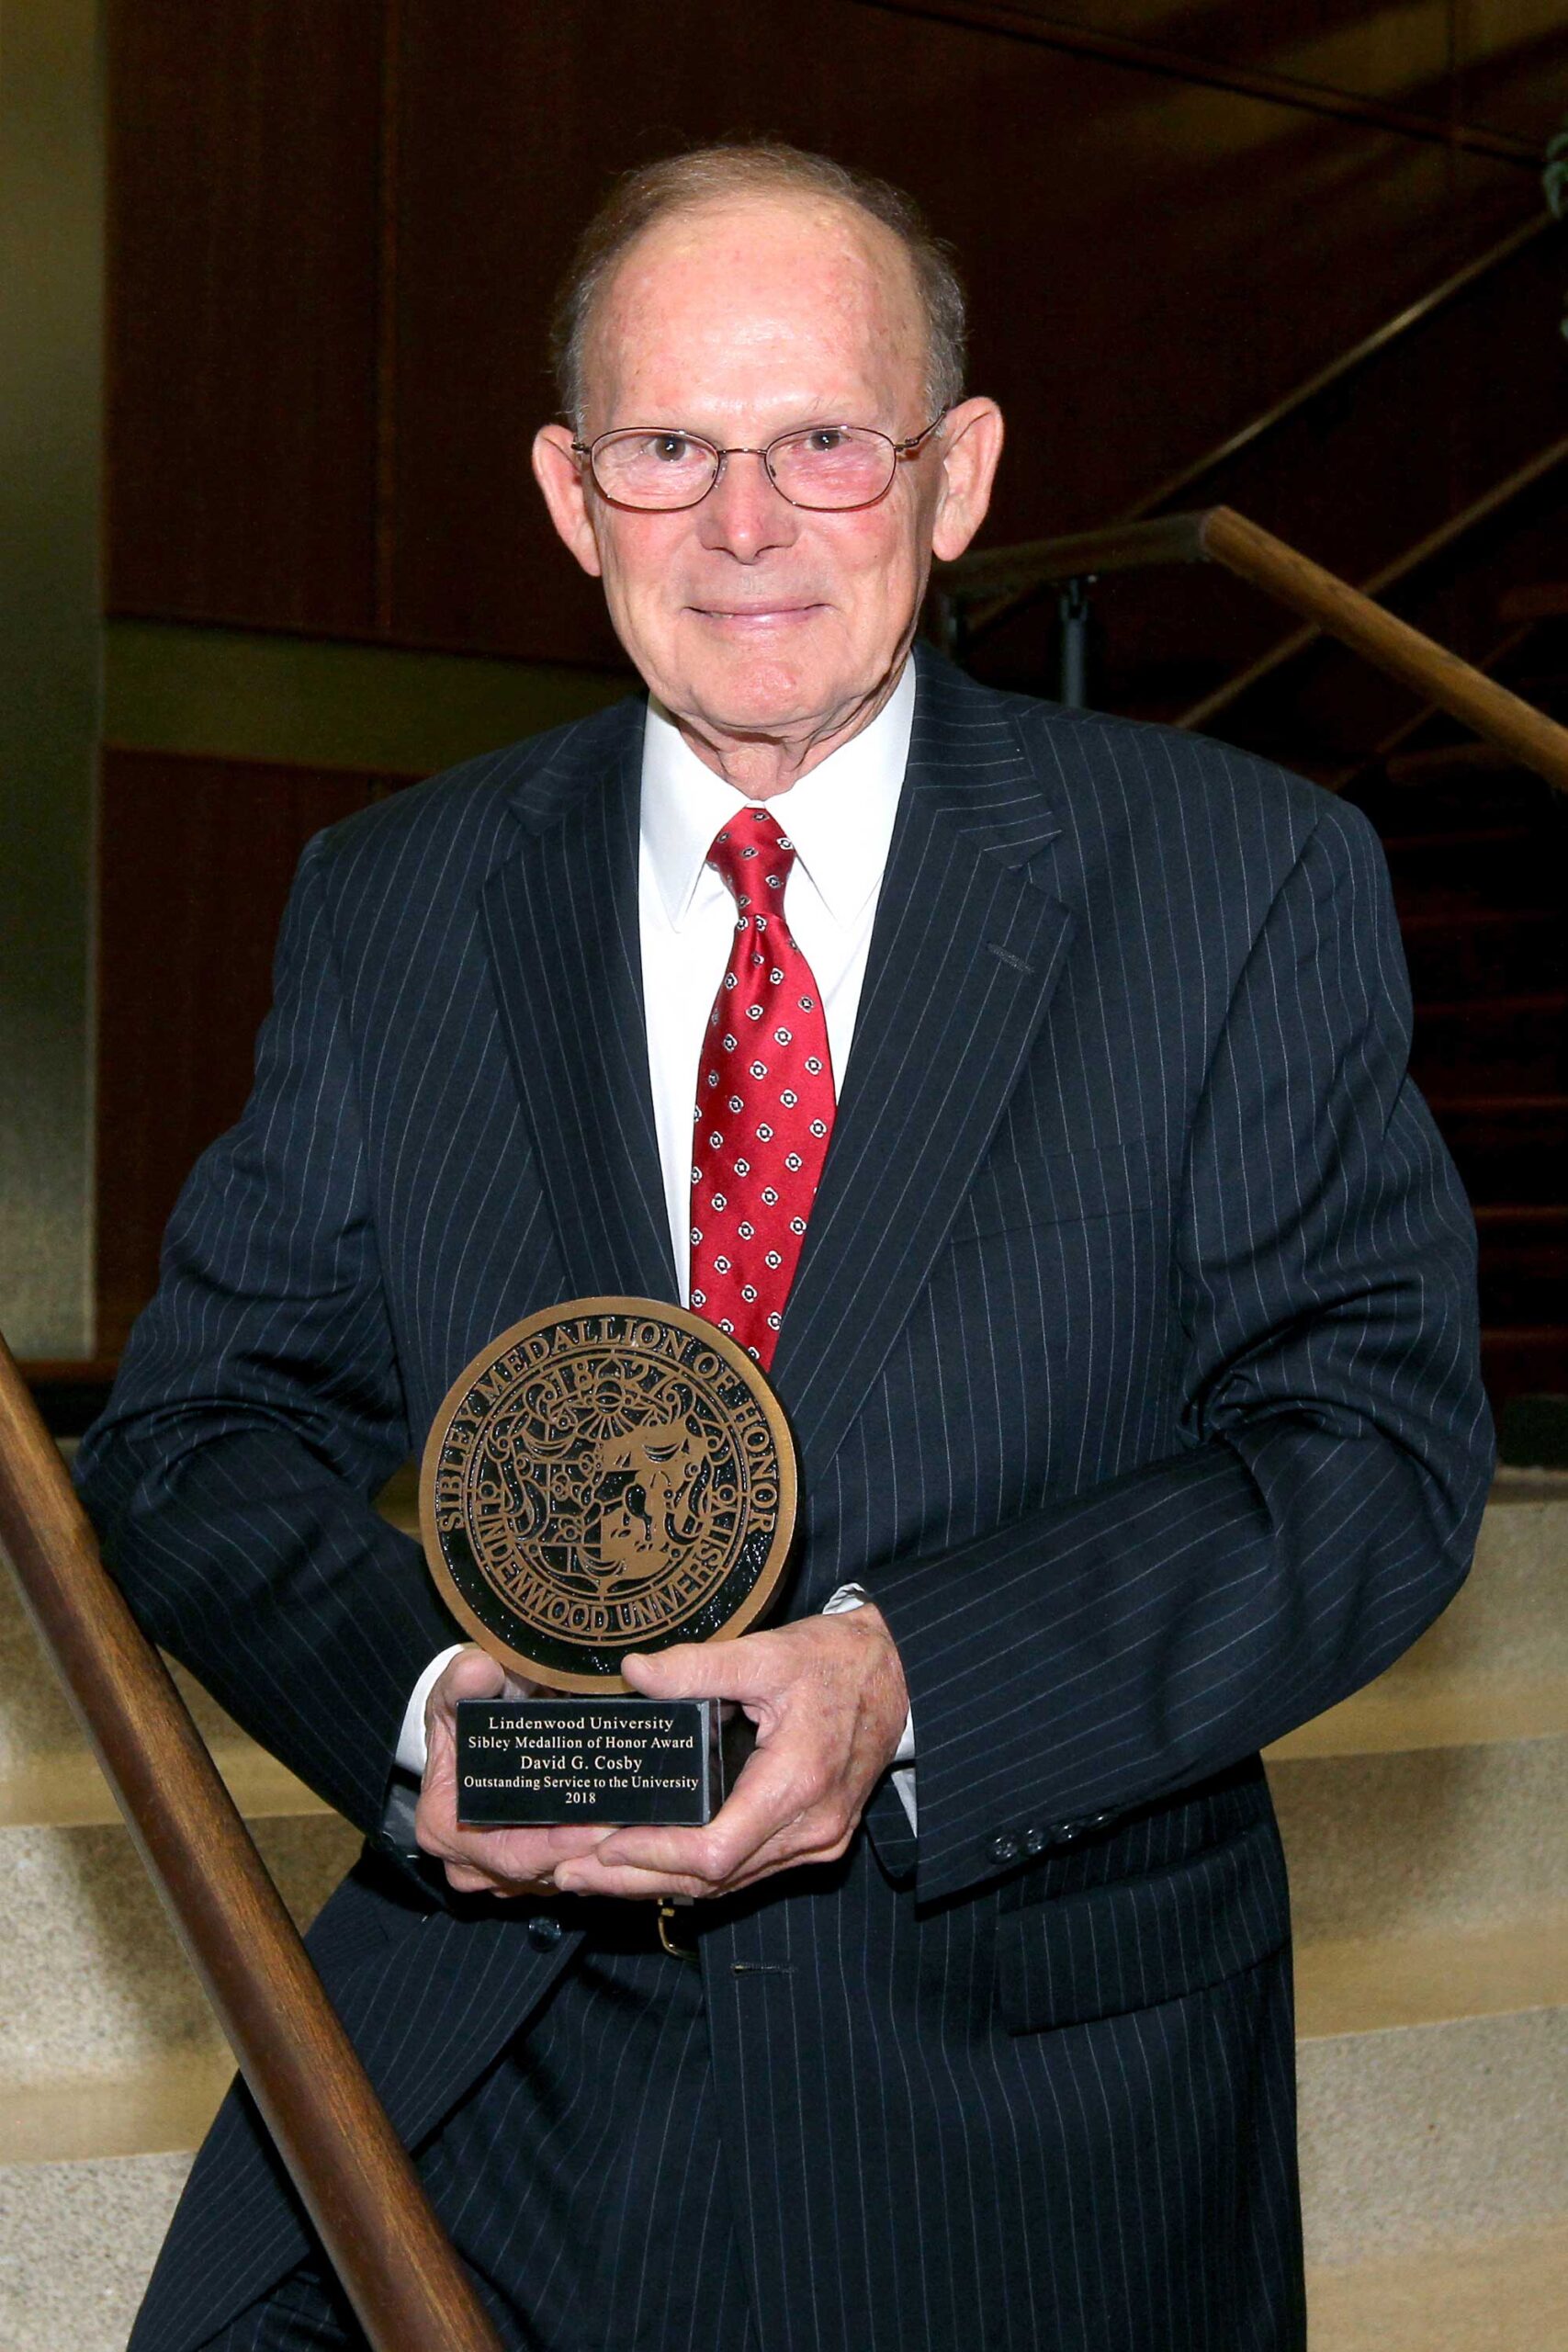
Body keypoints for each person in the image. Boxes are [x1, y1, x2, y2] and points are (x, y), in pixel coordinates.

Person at [77, 142, 1492, 2352]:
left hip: (1021, 2111)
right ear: (570, 492)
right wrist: (428, 1709)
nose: (744, 525)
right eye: (669, 449)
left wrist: (909, 1681)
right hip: (484, 2065)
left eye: (824, 439)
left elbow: (1365, 1450)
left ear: (956, 479)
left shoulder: (1231, 884)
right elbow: (195, 1434)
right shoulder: (399, 902)